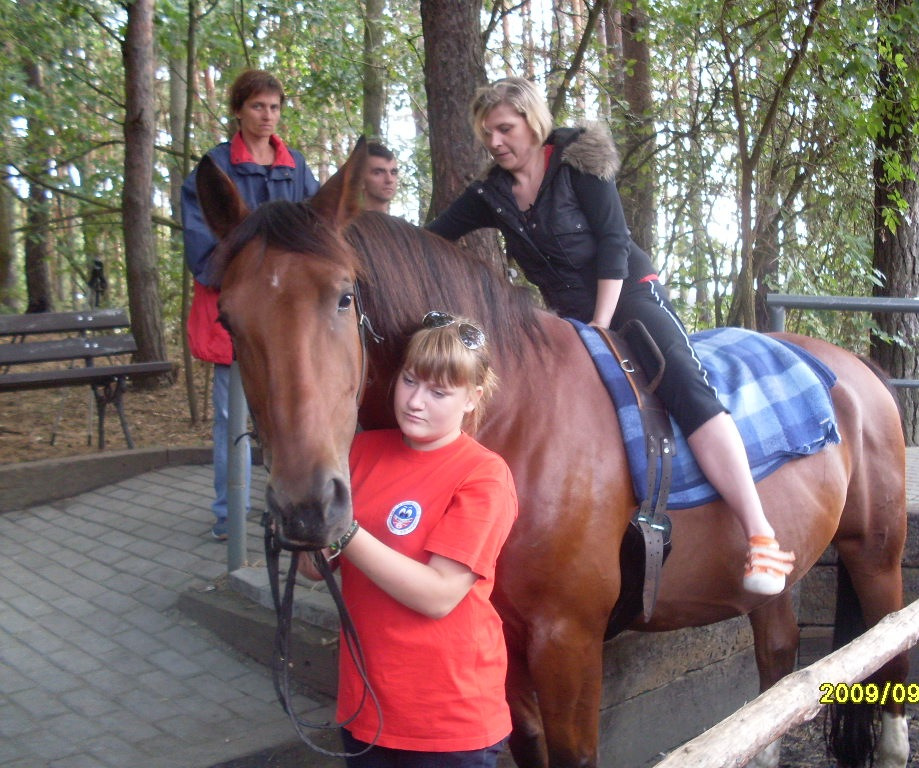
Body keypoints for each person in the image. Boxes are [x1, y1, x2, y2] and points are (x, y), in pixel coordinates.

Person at [426, 77, 795, 595]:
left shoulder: (578, 163)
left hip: (628, 295)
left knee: (685, 383)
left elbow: (614, 242)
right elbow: (429, 240)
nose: (495, 141)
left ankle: (760, 535)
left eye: (504, 128)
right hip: (566, 317)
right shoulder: (491, 194)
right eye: (486, 133)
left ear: (533, 122)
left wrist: (600, 322)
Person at [299, 311, 517, 767]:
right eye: (410, 381)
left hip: (448, 721)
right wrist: (303, 517)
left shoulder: (484, 475)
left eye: (439, 392)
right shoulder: (362, 451)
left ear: (472, 398)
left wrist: (344, 530)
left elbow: (438, 596)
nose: (416, 402)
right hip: (366, 706)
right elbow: (313, 571)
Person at [181, 69, 319, 541]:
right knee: (231, 418)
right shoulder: (214, 168)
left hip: (290, 319)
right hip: (238, 316)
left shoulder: (296, 167)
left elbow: (314, 233)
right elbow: (203, 246)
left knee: (290, 413)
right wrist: (256, 276)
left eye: (274, 107)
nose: (267, 116)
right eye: (258, 106)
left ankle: (288, 502)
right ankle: (229, 513)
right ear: (238, 110)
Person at [361, 141, 399, 213]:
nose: (389, 180)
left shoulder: (401, 221)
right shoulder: (346, 220)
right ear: (361, 181)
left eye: (393, 173)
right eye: (378, 173)